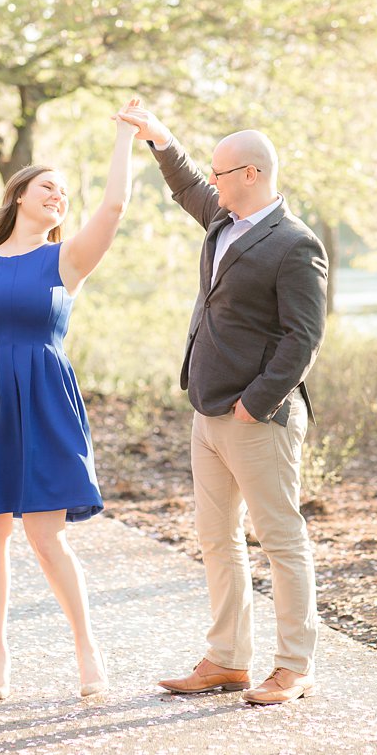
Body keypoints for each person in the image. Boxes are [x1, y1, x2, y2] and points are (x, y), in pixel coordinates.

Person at [0, 103, 139, 700]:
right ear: (19, 196)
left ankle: (87, 648)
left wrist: (124, 136)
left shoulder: (65, 261)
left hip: (42, 398)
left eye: (64, 193)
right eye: (48, 187)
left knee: (46, 534)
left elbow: (114, 206)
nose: (58, 197)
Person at [114, 101, 328, 707]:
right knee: (217, 538)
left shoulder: (294, 243)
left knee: (280, 539)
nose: (213, 181)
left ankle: (294, 666)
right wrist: (159, 138)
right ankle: (229, 661)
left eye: (222, 171)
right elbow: (185, 184)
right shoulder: (222, 220)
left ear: (253, 173)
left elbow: (303, 338)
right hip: (205, 411)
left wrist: (254, 404)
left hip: (256, 418)